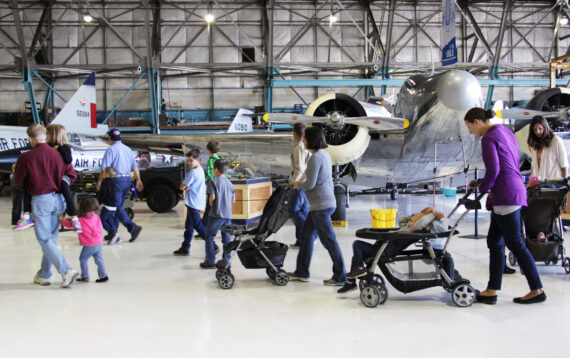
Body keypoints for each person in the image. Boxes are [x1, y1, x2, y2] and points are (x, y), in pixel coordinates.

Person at [464, 107, 545, 304]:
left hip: (506, 195)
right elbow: (509, 163)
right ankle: (492, 290)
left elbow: (494, 169)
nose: (470, 132)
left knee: (515, 243)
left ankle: (537, 289)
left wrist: (483, 188)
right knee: (494, 241)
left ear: (478, 122)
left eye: (470, 127)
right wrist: (482, 183)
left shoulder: (488, 138)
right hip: (513, 189)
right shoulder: (505, 131)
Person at [14, 124, 79, 288]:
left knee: (44, 240)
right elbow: (70, 175)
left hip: (41, 200)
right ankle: (44, 274)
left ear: (30, 138)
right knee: (50, 240)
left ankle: (65, 270)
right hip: (58, 200)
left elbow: (19, 182)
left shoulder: (27, 157)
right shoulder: (58, 154)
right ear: (44, 136)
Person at [337, 207, 454, 294]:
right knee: (358, 253)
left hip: (384, 252)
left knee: (357, 245)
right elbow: (402, 219)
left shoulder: (413, 230)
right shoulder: (407, 227)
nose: (410, 221)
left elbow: (421, 224)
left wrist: (432, 214)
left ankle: (355, 275)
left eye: (414, 220)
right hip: (381, 248)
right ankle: (352, 279)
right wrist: (416, 215)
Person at [288, 126, 346, 286]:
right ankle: (302, 272)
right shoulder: (325, 155)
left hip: (321, 205)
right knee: (306, 237)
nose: (303, 140)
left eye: (305, 138)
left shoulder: (315, 158)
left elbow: (310, 184)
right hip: (319, 205)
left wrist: (296, 184)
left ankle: (341, 275)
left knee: (329, 240)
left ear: (311, 140)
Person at [96, 128, 143, 243]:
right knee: (117, 207)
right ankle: (113, 232)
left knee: (115, 207)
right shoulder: (128, 149)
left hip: (115, 181)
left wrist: (100, 181)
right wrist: (138, 179)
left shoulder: (110, 150)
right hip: (127, 180)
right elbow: (134, 166)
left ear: (110, 138)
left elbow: (105, 168)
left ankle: (132, 228)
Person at [61, 197, 109, 283]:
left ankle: (85, 276)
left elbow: (69, 224)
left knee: (83, 259)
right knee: (99, 259)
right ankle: (104, 275)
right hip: (99, 242)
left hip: (89, 244)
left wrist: (61, 220)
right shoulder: (96, 216)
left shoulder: (80, 220)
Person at [46, 124, 82, 233]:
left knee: (64, 187)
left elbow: (68, 160)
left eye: (47, 134)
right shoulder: (47, 146)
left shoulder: (65, 147)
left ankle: (74, 217)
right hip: (54, 175)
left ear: (54, 135)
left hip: (65, 175)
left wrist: (58, 149)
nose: (45, 136)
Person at [173, 148, 208, 256]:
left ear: (198, 160)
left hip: (193, 203)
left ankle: (212, 244)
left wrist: (185, 187)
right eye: (188, 160)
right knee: (189, 226)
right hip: (196, 201)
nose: (188, 163)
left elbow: (181, 187)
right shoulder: (200, 170)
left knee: (198, 226)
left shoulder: (192, 172)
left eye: (191, 160)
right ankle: (185, 247)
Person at [201, 159, 234, 268]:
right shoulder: (229, 183)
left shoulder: (212, 181)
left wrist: (210, 204)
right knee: (226, 239)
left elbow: (212, 197)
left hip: (216, 214)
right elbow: (233, 200)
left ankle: (210, 261)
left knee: (209, 236)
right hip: (228, 214)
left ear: (215, 169)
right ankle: (227, 261)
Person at [289, 123, 310, 248]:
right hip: (307, 183)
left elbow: (300, 168)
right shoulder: (307, 146)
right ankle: (301, 241)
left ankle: (309, 235)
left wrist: (293, 182)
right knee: (303, 211)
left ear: (296, 134)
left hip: (299, 184)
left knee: (294, 211)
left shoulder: (298, 148)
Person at [527, 115, 568, 180]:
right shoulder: (534, 144)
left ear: (545, 127)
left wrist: (564, 184)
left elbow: (564, 165)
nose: (538, 132)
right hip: (539, 184)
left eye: (540, 128)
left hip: (555, 185)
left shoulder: (556, 141)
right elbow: (533, 167)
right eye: (535, 130)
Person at [200, 140, 222, 234]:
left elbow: (209, 173)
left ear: (208, 150)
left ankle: (203, 230)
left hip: (212, 185)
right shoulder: (220, 159)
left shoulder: (211, 161)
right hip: (220, 185)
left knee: (209, 207)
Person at [98, 166, 120, 245]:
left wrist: (100, 202)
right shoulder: (115, 182)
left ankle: (112, 233)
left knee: (102, 220)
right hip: (113, 205)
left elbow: (103, 193)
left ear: (107, 174)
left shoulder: (105, 182)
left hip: (107, 205)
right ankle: (116, 237)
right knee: (110, 221)